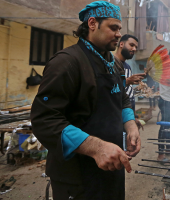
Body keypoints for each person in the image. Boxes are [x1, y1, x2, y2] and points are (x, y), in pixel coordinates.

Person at [30, 2, 140, 200]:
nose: (118, 34)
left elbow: (122, 96)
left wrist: (130, 124)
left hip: (111, 166)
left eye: (119, 29)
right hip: (77, 176)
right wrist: (96, 148)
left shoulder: (113, 63)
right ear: (92, 23)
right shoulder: (66, 62)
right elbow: (45, 119)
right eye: (113, 28)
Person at [114, 34, 145, 130]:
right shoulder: (110, 63)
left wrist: (133, 117)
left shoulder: (128, 67)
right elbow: (108, 89)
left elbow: (129, 94)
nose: (134, 49)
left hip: (128, 115)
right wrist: (126, 81)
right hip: (116, 116)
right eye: (131, 45)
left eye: (136, 47)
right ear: (121, 44)